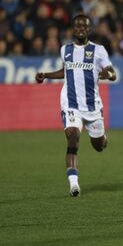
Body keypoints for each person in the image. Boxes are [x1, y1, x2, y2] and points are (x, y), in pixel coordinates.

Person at [35, 14, 117, 197]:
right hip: (71, 104)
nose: (81, 29)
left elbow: (112, 72)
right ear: (73, 29)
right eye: (77, 26)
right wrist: (46, 75)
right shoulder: (65, 50)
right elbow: (65, 71)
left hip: (92, 106)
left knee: (98, 146)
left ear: (89, 29)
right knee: (72, 137)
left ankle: (103, 137)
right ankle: (74, 185)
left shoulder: (99, 50)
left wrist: (109, 75)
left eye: (84, 26)